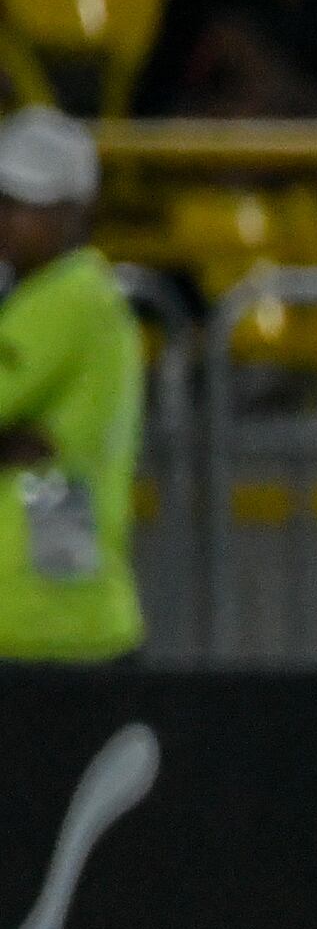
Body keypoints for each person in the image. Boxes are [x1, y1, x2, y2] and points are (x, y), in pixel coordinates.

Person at [0, 114, 145, 666]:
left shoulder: (73, 295)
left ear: (76, 212)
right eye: (4, 202)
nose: (10, 221)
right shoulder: (33, 296)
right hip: (52, 617)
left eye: (30, 205)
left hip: (47, 622)